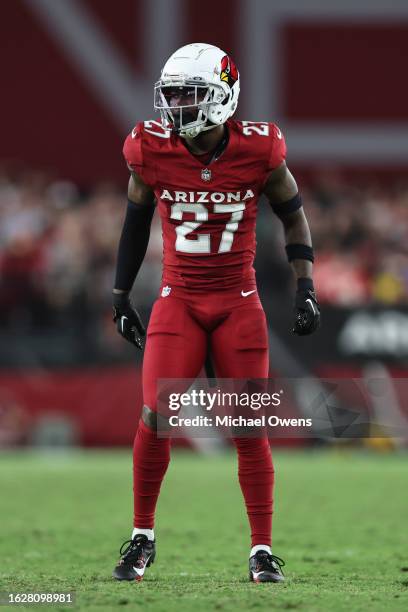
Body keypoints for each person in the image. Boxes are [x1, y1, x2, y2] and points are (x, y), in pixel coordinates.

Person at [111, 43, 320, 584]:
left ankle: (262, 549)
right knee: (157, 416)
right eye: (172, 93)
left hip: (237, 302)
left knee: (250, 428)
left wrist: (306, 287)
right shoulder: (149, 148)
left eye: (190, 94)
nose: (176, 106)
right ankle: (141, 537)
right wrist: (119, 294)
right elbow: (135, 223)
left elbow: (294, 217)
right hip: (177, 298)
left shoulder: (260, 149)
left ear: (223, 97)